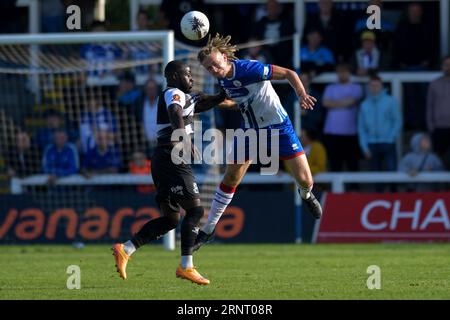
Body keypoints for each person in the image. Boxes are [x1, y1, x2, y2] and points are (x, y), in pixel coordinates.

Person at [194, 34, 322, 250]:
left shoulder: (250, 69)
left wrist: (301, 95)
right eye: (209, 68)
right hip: (250, 131)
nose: (213, 70)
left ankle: (306, 194)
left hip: (278, 126)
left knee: (305, 181)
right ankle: (208, 229)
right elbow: (237, 102)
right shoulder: (223, 78)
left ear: (225, 57)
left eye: (215, 64)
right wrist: (214, 102)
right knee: (231, 176)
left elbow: (289, 73)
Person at [112, 60, 227, 285]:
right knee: (195, 211)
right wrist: (183, 138)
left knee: (171, 219)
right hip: (171, 156)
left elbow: (207, 102)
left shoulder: (188, 98)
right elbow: (175, 112)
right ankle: (186, 267)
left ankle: (126, 248)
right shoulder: (172, 93)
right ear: (174, 77)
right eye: (188, 74)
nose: (192, 78)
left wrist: (225, 90)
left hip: (163, 160)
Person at [322, 63, 363, 172]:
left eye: (344, 72)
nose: (342, 74)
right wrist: (345, 102)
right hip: (332, 132)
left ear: (349, 73)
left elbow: (352, 101)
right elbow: (326, 103)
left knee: (352, 163)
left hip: (350, 132)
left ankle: (354, 189)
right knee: (335, 163)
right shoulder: (330, 87)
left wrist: (334, 103)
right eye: (340, 72)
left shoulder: (357, 87)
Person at [358, 75, 402, 171]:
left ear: (382, 86)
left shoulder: (391, 101)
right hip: (371, 144)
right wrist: (364, 147)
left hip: (388, 143)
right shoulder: (364, 105)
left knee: (392, 172)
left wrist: (391, 137)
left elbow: (397, 121)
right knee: (375, 175)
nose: (374, 88)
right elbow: (361, 128)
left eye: (377, 85)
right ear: (368, 87)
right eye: (372, 85)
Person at [427, 56, 450, 161]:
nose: (448, 67)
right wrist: (431, 126)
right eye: (446, 64)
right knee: (438, 159)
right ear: (442, 66)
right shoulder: (434, 84)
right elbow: (429, 106)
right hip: (439, 128)